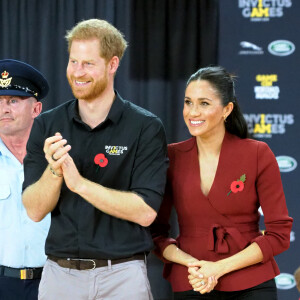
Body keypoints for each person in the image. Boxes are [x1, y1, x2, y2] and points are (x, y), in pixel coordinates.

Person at [22, 19, 168, 300]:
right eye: (73, 61)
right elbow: (34, 210)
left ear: (112, 64)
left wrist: (79, 184)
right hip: (59, 275)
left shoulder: (145, 127)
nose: (77, 72)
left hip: (122, 275)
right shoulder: (46, 124)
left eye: (88, 63)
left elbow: (146, 211)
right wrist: (54, 172)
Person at [151, 66, 293, 299]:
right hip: (192, 280)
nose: (192, 112)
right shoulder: (171, 156)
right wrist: (191, 264)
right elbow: (155, 233)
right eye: (188, 102)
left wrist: (218, 268)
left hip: (252, 282)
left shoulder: (257, 153)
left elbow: (279, 235)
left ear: (227, 109)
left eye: (204, 103)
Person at [0, 59, 50, 300]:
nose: (4, 109)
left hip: (55, 281)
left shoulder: (58, 156)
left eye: (13, 101)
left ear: (36, 109)